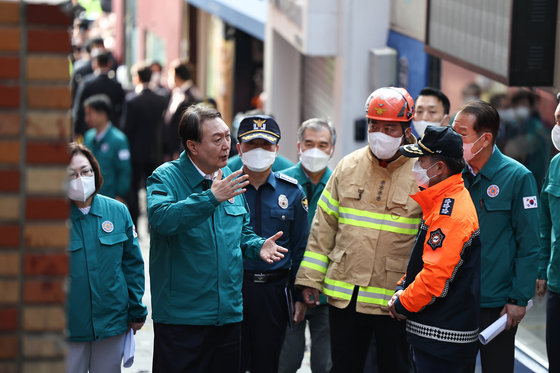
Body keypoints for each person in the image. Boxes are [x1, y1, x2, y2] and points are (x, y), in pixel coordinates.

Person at [146, 104, 289, 373]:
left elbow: (240, 232)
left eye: (227, 136)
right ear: (193, 146)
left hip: (228, 316)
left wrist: (257, 245)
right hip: (183, 319)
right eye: (217, 139)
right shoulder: (165, 177)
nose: (227, 145)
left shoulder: (228, 181)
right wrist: (211, 197)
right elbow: (162, 219)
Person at [296, 87, 422, 373]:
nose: (379, 133)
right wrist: (310, 279)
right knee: (344, 367)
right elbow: (323, 227)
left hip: (394, 301)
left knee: (395, 367)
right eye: (374, 125)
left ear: (406, 129)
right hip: (345, 296)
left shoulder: (422, 172)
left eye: (389, 127)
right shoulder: (348, 166)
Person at [452, 100, 540, 373]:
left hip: (497, 305)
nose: (454, 139)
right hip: (456, 300)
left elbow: (529, 244)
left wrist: (517, 299)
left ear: (484, 138)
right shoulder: (454, 174)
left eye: (461, 134)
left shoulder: (517, 177)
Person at [388, 126, 481, 372]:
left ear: (439, 168)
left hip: (442, 342)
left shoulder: (450, 213)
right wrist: (403, 287)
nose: (416, 166)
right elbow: (425, 260)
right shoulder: (441, 201)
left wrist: (401, 303)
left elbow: (434, 278)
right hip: (436, 337)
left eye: (421, 160)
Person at [235, 115, 309, 373]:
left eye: (266, 145)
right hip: (234, 289)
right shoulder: (225, 189)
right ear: (239, 149)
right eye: (252, 144)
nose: (259, 151)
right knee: (231, 361)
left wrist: (299, 295)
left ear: (277, 149)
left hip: (274, 293)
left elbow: (300, 247)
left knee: (268, 364)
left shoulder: (292, 192)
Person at [66, 142, 147, 373]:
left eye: (85, 171)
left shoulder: (117, 211)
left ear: (95, 171)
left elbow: (132, 264)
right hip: (69, 327)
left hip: (111, 322)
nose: (80, 178)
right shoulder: (51, 220)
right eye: (71, 174)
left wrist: (136, 308)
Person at [278, 118, 336, 373]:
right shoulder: (281, 183)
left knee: (325, 363)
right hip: (289, 291)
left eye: (323, 145)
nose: (316, 150)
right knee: (286, 360)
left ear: (332, 149)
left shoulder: (341, 184)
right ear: (299, 146)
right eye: (309, 143)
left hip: (327, 292)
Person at [121, 61, 168, 227]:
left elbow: (125, 129)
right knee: (154, 189)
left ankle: (133, 224)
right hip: (155, 151)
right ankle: (152, 223)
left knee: (133, 189)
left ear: (138, 78)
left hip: (135, 152)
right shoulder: (161, 99)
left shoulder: (132, 100)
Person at [537, 92, 560, 373]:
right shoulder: (556, 165)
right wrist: (542, 269)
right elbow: (545, 222)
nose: (557, 127)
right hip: (557, 285)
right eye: (556, 119)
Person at [83, 94, 131, 201]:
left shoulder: (119, 140)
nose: (86, 119)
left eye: (90, 114)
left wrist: (121, 195)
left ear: (102, 114)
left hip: (110, 198)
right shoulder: (88, 136)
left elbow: (124, 171)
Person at [73, 49, 125, 139]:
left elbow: (78, 108)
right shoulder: (116, 85)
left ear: (95, 64)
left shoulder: (86, 83)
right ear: (109, 64)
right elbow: (122, 108)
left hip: (88, 127)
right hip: (110, 128)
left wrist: (76, 130)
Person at [162, 59, 201, 161]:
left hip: (181, 151)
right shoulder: (176, 93)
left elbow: (190, 126)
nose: (168, 78)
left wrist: (181, 150)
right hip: (171, 149)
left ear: (176, 76)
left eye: (170, 75)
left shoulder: (191, 96)